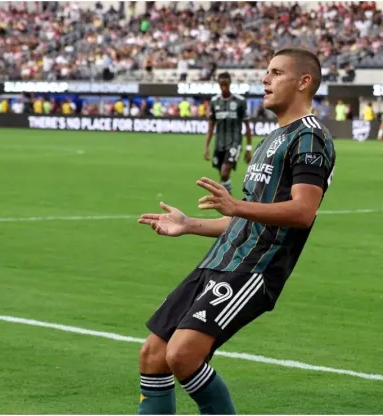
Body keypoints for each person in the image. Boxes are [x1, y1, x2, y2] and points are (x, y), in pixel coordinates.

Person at [136, 48, 336, 415]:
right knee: (153, 354)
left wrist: (237, 205)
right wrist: (189, 225)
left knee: (182, 354)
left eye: (276, 72)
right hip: (218, 261)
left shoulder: (311, 138)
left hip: (254, 269)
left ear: (304, 81)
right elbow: (243, 218)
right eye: (267, 72)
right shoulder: (269, 140)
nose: (265, 79)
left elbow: (304, 211)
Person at [204, 73, 253, 195]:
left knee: (225, 173)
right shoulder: (215, 101)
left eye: (226, 85)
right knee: (222, 175)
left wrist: (248, 148)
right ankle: (226, 200)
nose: (224, 88)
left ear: (230, 84)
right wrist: (206, 147)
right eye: (222, 85)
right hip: (219, 143)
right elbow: (211, 127)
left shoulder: (240, 101)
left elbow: (247, 126)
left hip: (234, 143)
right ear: (219, 85)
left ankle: (228, 202)